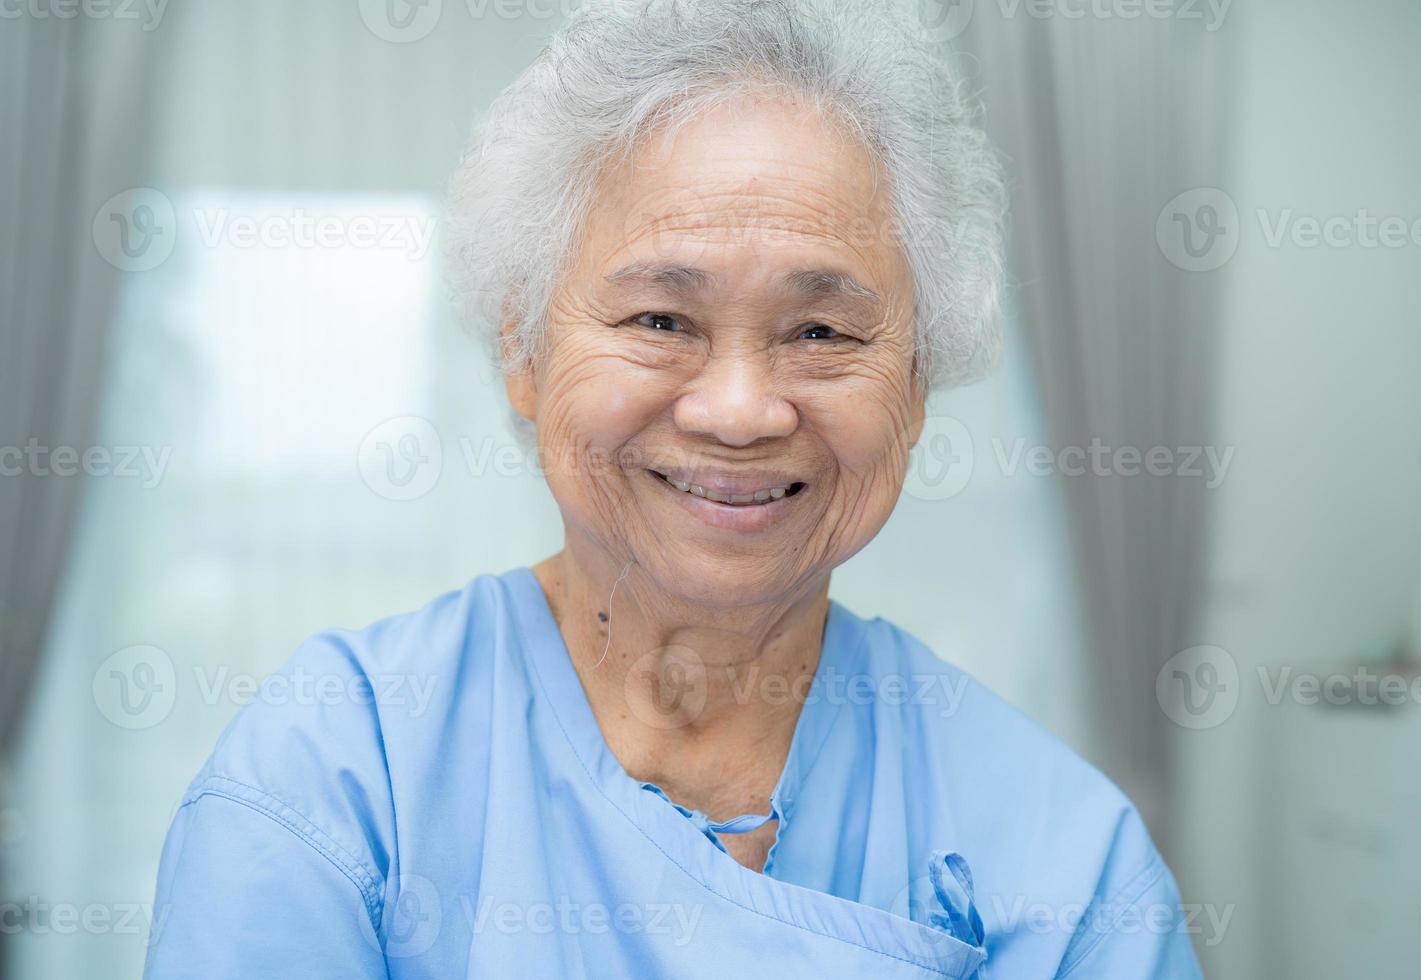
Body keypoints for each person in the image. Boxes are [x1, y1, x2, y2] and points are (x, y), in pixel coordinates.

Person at [144, 1, 1201, 976]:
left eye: (821, 330)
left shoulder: (1064, 853)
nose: (740, 410)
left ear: (917, 383)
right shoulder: (337, 769)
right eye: (660, 319)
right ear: (523, 346)